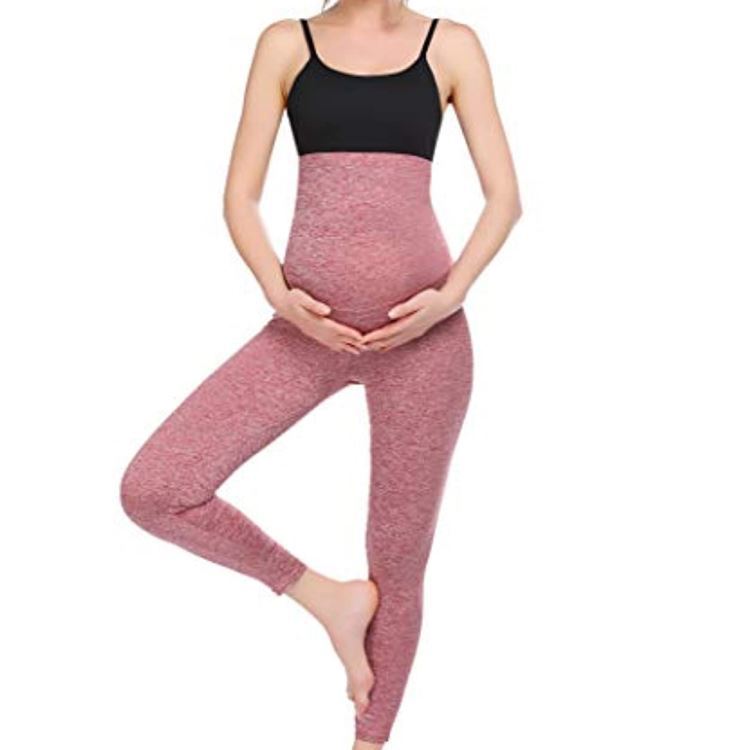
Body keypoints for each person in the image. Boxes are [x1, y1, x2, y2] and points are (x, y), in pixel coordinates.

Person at [119, 1, 522, 747]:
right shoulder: (287, 43)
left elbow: (506, 199)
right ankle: (328, 600)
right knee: (156, 488)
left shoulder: (452, 45)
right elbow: (239, 198)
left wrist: (451, 296)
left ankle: (370, 741)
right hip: (304, 335)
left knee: (398, 561)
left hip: (425, 343)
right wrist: (280, 296)